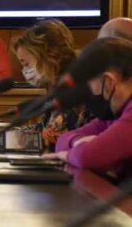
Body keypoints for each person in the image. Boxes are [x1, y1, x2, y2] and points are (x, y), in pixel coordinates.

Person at [47, 38, 132, 179]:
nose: (88, 91)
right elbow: (62, 141)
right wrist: (76, 141)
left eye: (89, 82)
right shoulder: (114, 114)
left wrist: (66, 155)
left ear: (109, 80)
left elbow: (87, 156)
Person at [12, 19, 84, 151]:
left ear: (48, 56)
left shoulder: (72, 87)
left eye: (26, 64)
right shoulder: (55, 85)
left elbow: (49, 139)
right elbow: (41, 129)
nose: (25, 70)